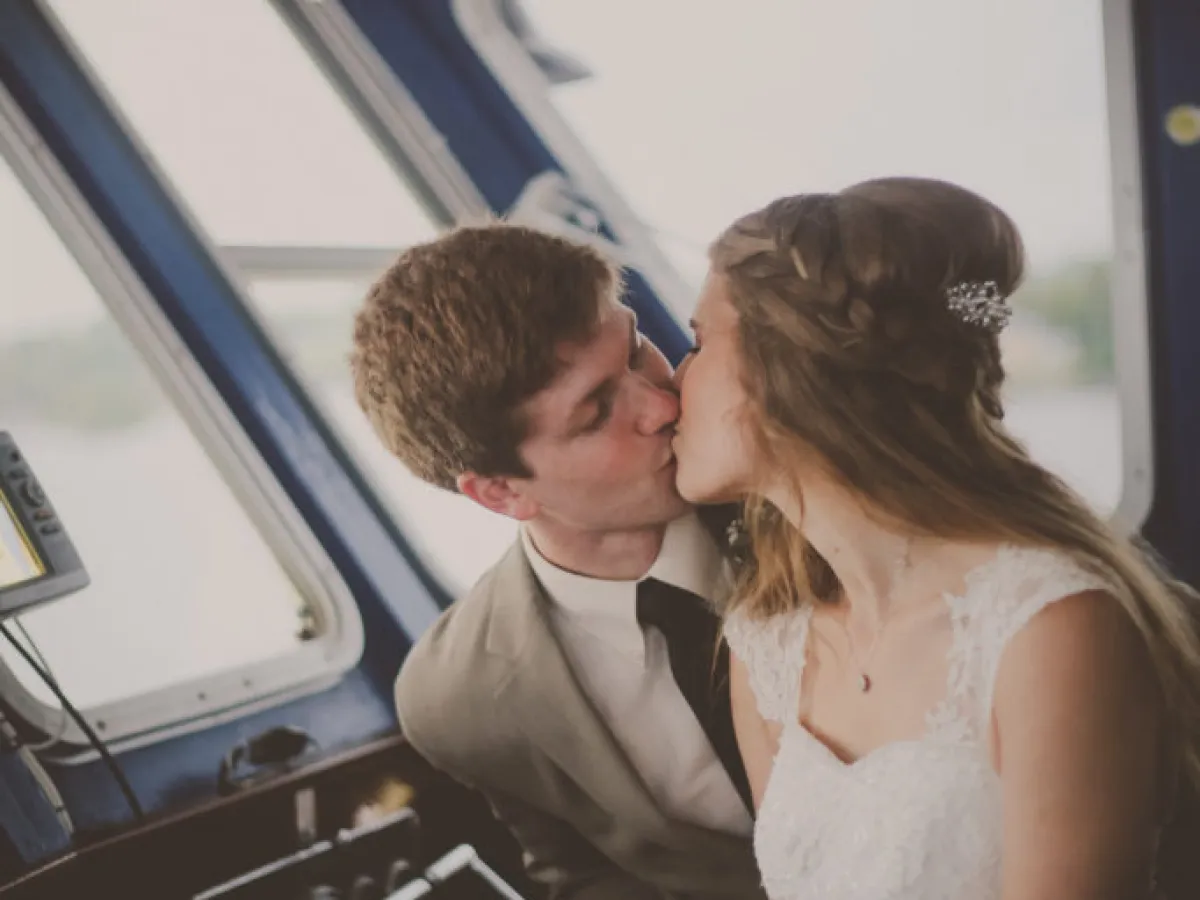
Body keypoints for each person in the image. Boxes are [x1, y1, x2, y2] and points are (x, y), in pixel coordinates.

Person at [670, 177, 1200, 900]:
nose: (675, 380)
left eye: (699, 342)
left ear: (786, 368)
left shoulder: (1048, 628)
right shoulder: (767, 646)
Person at [350, 223, 764, 900]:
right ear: (501, 492)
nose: (663, 404)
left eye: (637, 351)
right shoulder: (453, 699)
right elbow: (587, 879)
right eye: (596, 412)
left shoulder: (807, 500)